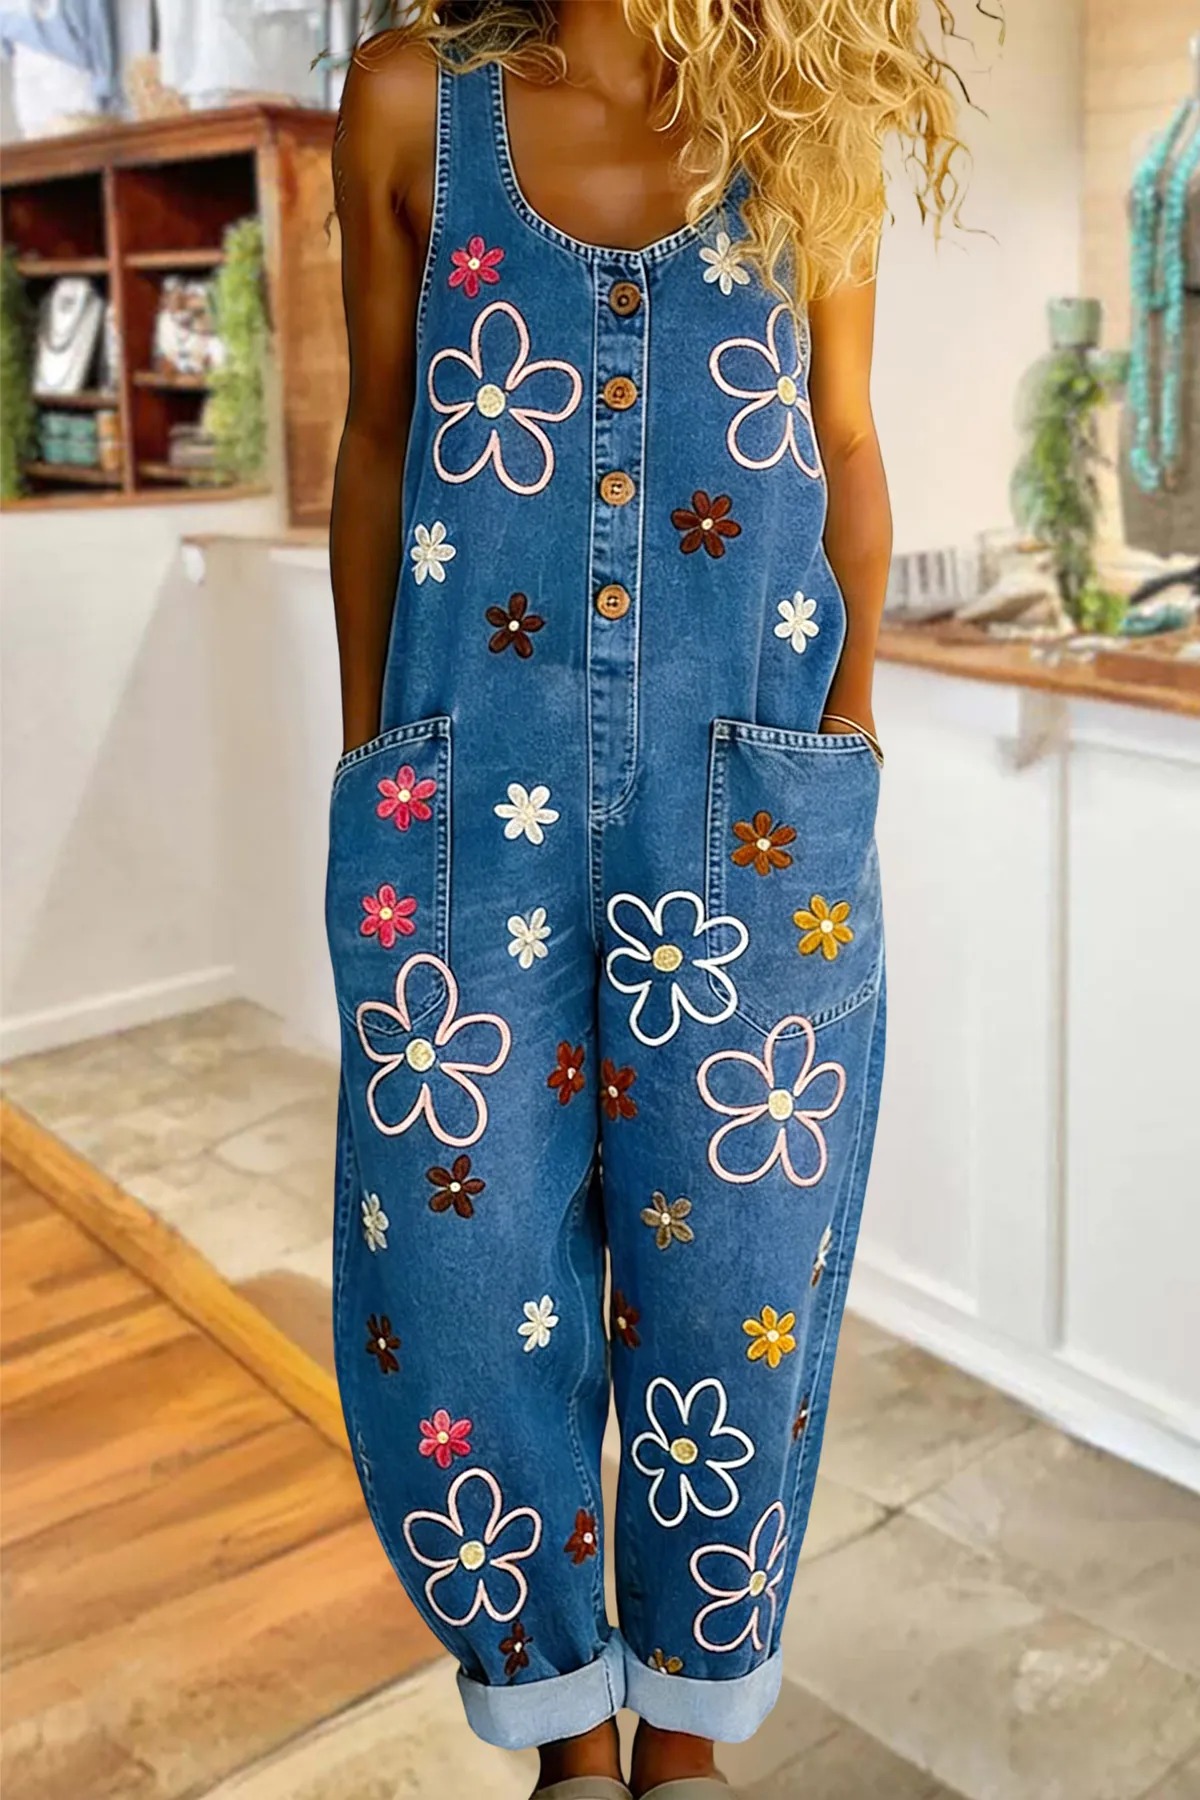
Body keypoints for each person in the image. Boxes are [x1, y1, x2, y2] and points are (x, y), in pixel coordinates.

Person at [326, 4, 973, 1794]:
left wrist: (845, 737)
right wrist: (377, 759)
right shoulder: (411, 105)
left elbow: (845, 444)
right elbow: (377, 445)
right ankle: (561, 1736)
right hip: (464, 806)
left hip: (751, 815)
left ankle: (683, 1738)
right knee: (460, 1292)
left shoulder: (810, 114)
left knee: (736, 1297)